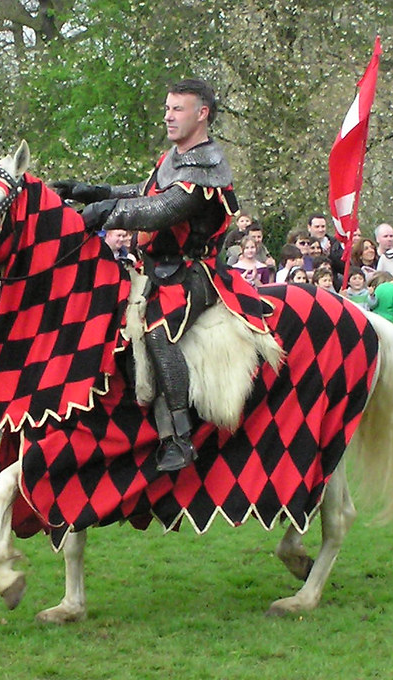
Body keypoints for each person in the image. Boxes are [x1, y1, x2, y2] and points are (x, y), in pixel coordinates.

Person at [52, 78, 267, 472]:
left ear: (202, 114)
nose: (168, 116)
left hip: (192, 271)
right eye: (167, 108)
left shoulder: (207, 166)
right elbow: (144, 190)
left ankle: (178, 437)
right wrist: (92, 191)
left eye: (178, 109)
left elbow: (161, 210)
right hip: (153, 267)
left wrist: (98, 214)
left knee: (157, 329)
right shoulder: (175, 158)